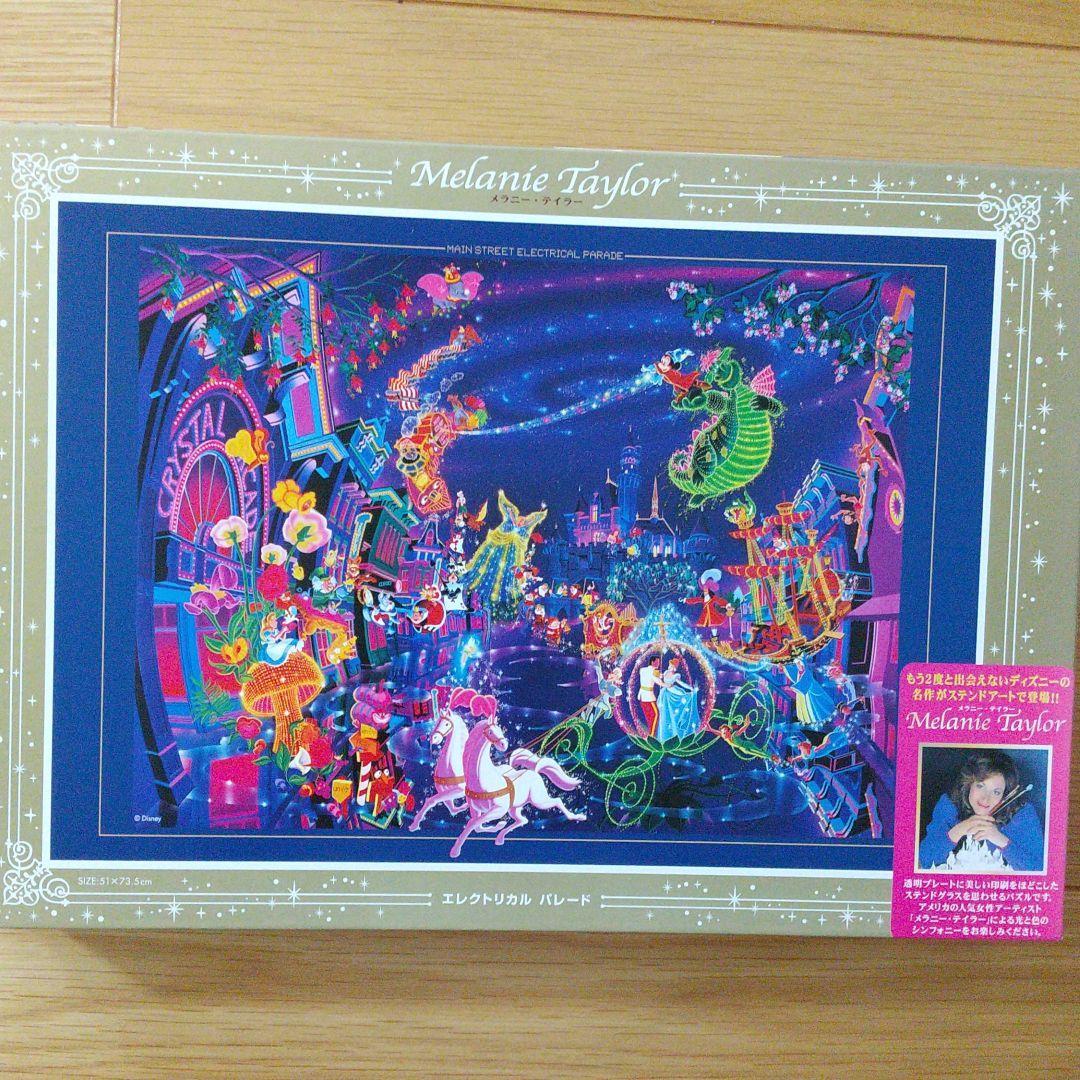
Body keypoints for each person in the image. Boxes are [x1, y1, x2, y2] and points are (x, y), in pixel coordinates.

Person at [918, 749, 1045, 872]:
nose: (985, 798)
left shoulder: (1022, 813)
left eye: (996, 792)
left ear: (1005, 795)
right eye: (980, 786)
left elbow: (1038, 870)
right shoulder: (950, 804)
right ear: (969, 784)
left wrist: (1000, 840)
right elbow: (923, 860)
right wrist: (958, 831)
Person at [637, 657, 662, 738]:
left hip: (642, 696)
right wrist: (667, 685)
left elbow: (653, 676)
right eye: (657, 662)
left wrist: (659, 675)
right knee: (656, 715)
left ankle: (650, 734)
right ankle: (652, 735)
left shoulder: (642, 670)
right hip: (649, 697)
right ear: (652, 662)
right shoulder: (653, 672)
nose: (658, 664)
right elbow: (659, 682)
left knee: (649, 717)